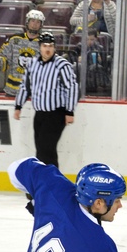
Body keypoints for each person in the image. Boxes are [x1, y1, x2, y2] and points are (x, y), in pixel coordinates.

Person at [13, 31, 78, 170]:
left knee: (46, 148)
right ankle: (46, 183)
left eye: (50, 46)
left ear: (54, 47)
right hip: (40, 114)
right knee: (41, 149)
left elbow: (72, 87)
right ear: (39, 47)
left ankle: (49, 183)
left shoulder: (62, 65)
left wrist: (69, 111)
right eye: (44, 45)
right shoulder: (32, 64)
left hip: (56, 113)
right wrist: (18, 106)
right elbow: (25, 86)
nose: (47, 49)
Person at [0, 9, 44, 96]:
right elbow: (4, 59)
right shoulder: (14, 39)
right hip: (12, 90)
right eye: (32, 21)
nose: (34, 24)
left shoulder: (44, 43)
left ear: (41, 25)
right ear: (27, 22)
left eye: (38, 22)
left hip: (34, 92)